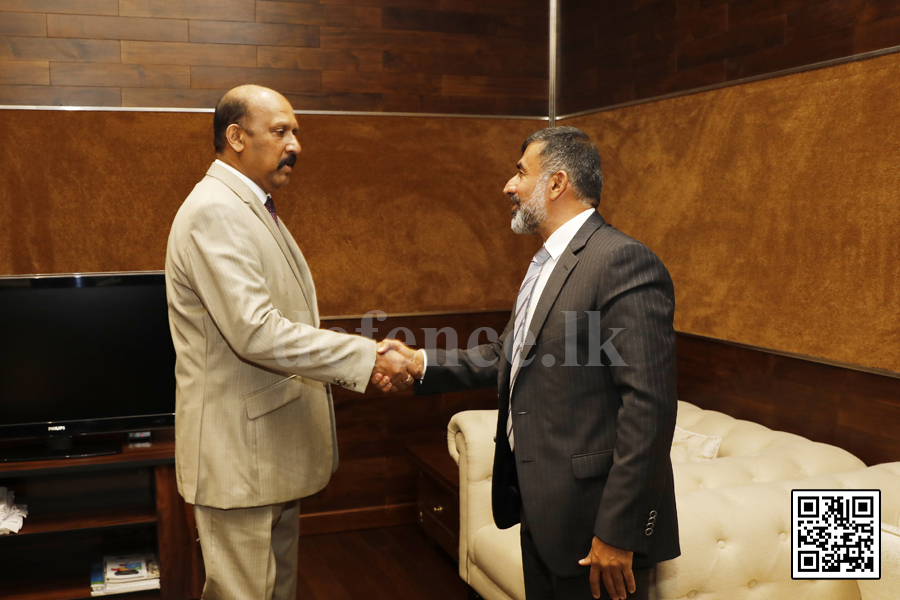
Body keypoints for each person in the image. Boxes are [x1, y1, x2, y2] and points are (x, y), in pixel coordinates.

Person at [378, 126, 680, 599]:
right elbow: (507, 356)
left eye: (520, 172)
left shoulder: (622, 261)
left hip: (595, 527)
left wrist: (619, 532)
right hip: (542, 512)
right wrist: (418, 363)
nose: (509, 185)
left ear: (556, 183)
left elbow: (650, 408)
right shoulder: (547, 264)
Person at [165, 84, 416, 600]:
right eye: (280, 131)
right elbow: (255, 331)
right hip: (240, 458)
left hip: (267, 455)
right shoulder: (216, 210)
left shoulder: (251, 205)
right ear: (235, 136)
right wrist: (367, 356)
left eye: (296, 132)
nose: (295, 144)